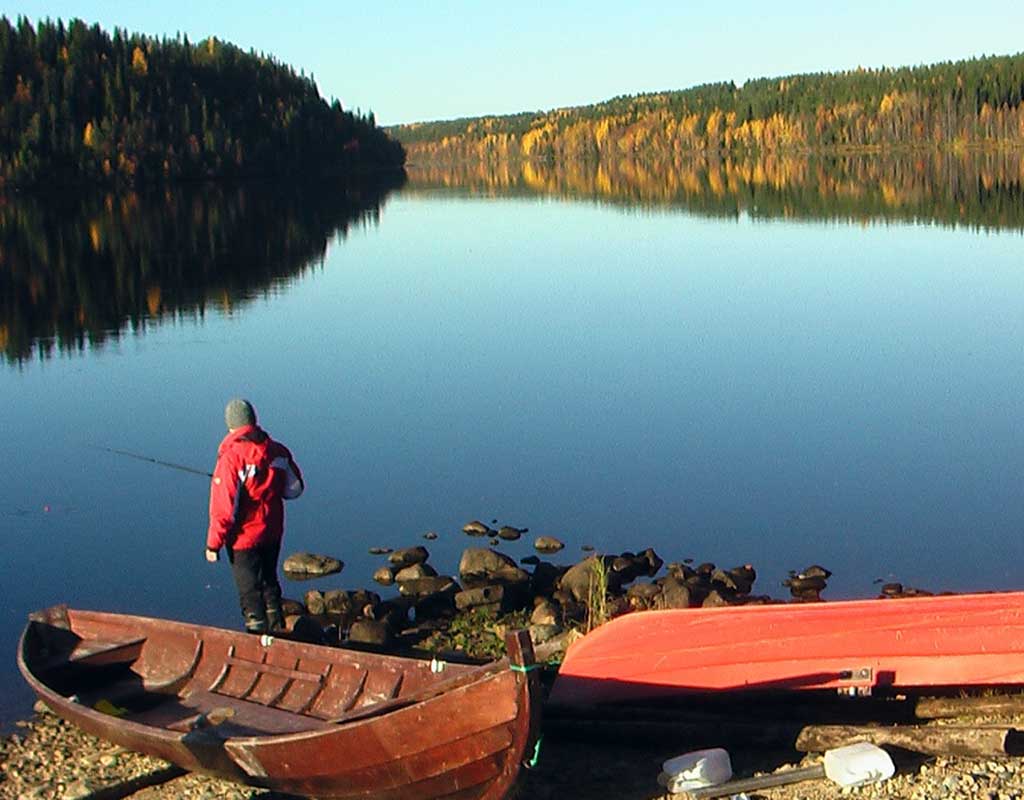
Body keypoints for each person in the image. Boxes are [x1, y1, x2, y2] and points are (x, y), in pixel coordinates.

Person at [206, 398, 304, 633]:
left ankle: (256, 637)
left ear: (231, 425)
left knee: (249, 591)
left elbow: (224, 508)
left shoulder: (231, 457)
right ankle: (278, 631)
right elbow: (295, 489)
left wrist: (213, 544)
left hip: (243, 537)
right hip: (272, 529)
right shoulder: (277, 451)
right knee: (270, 581)